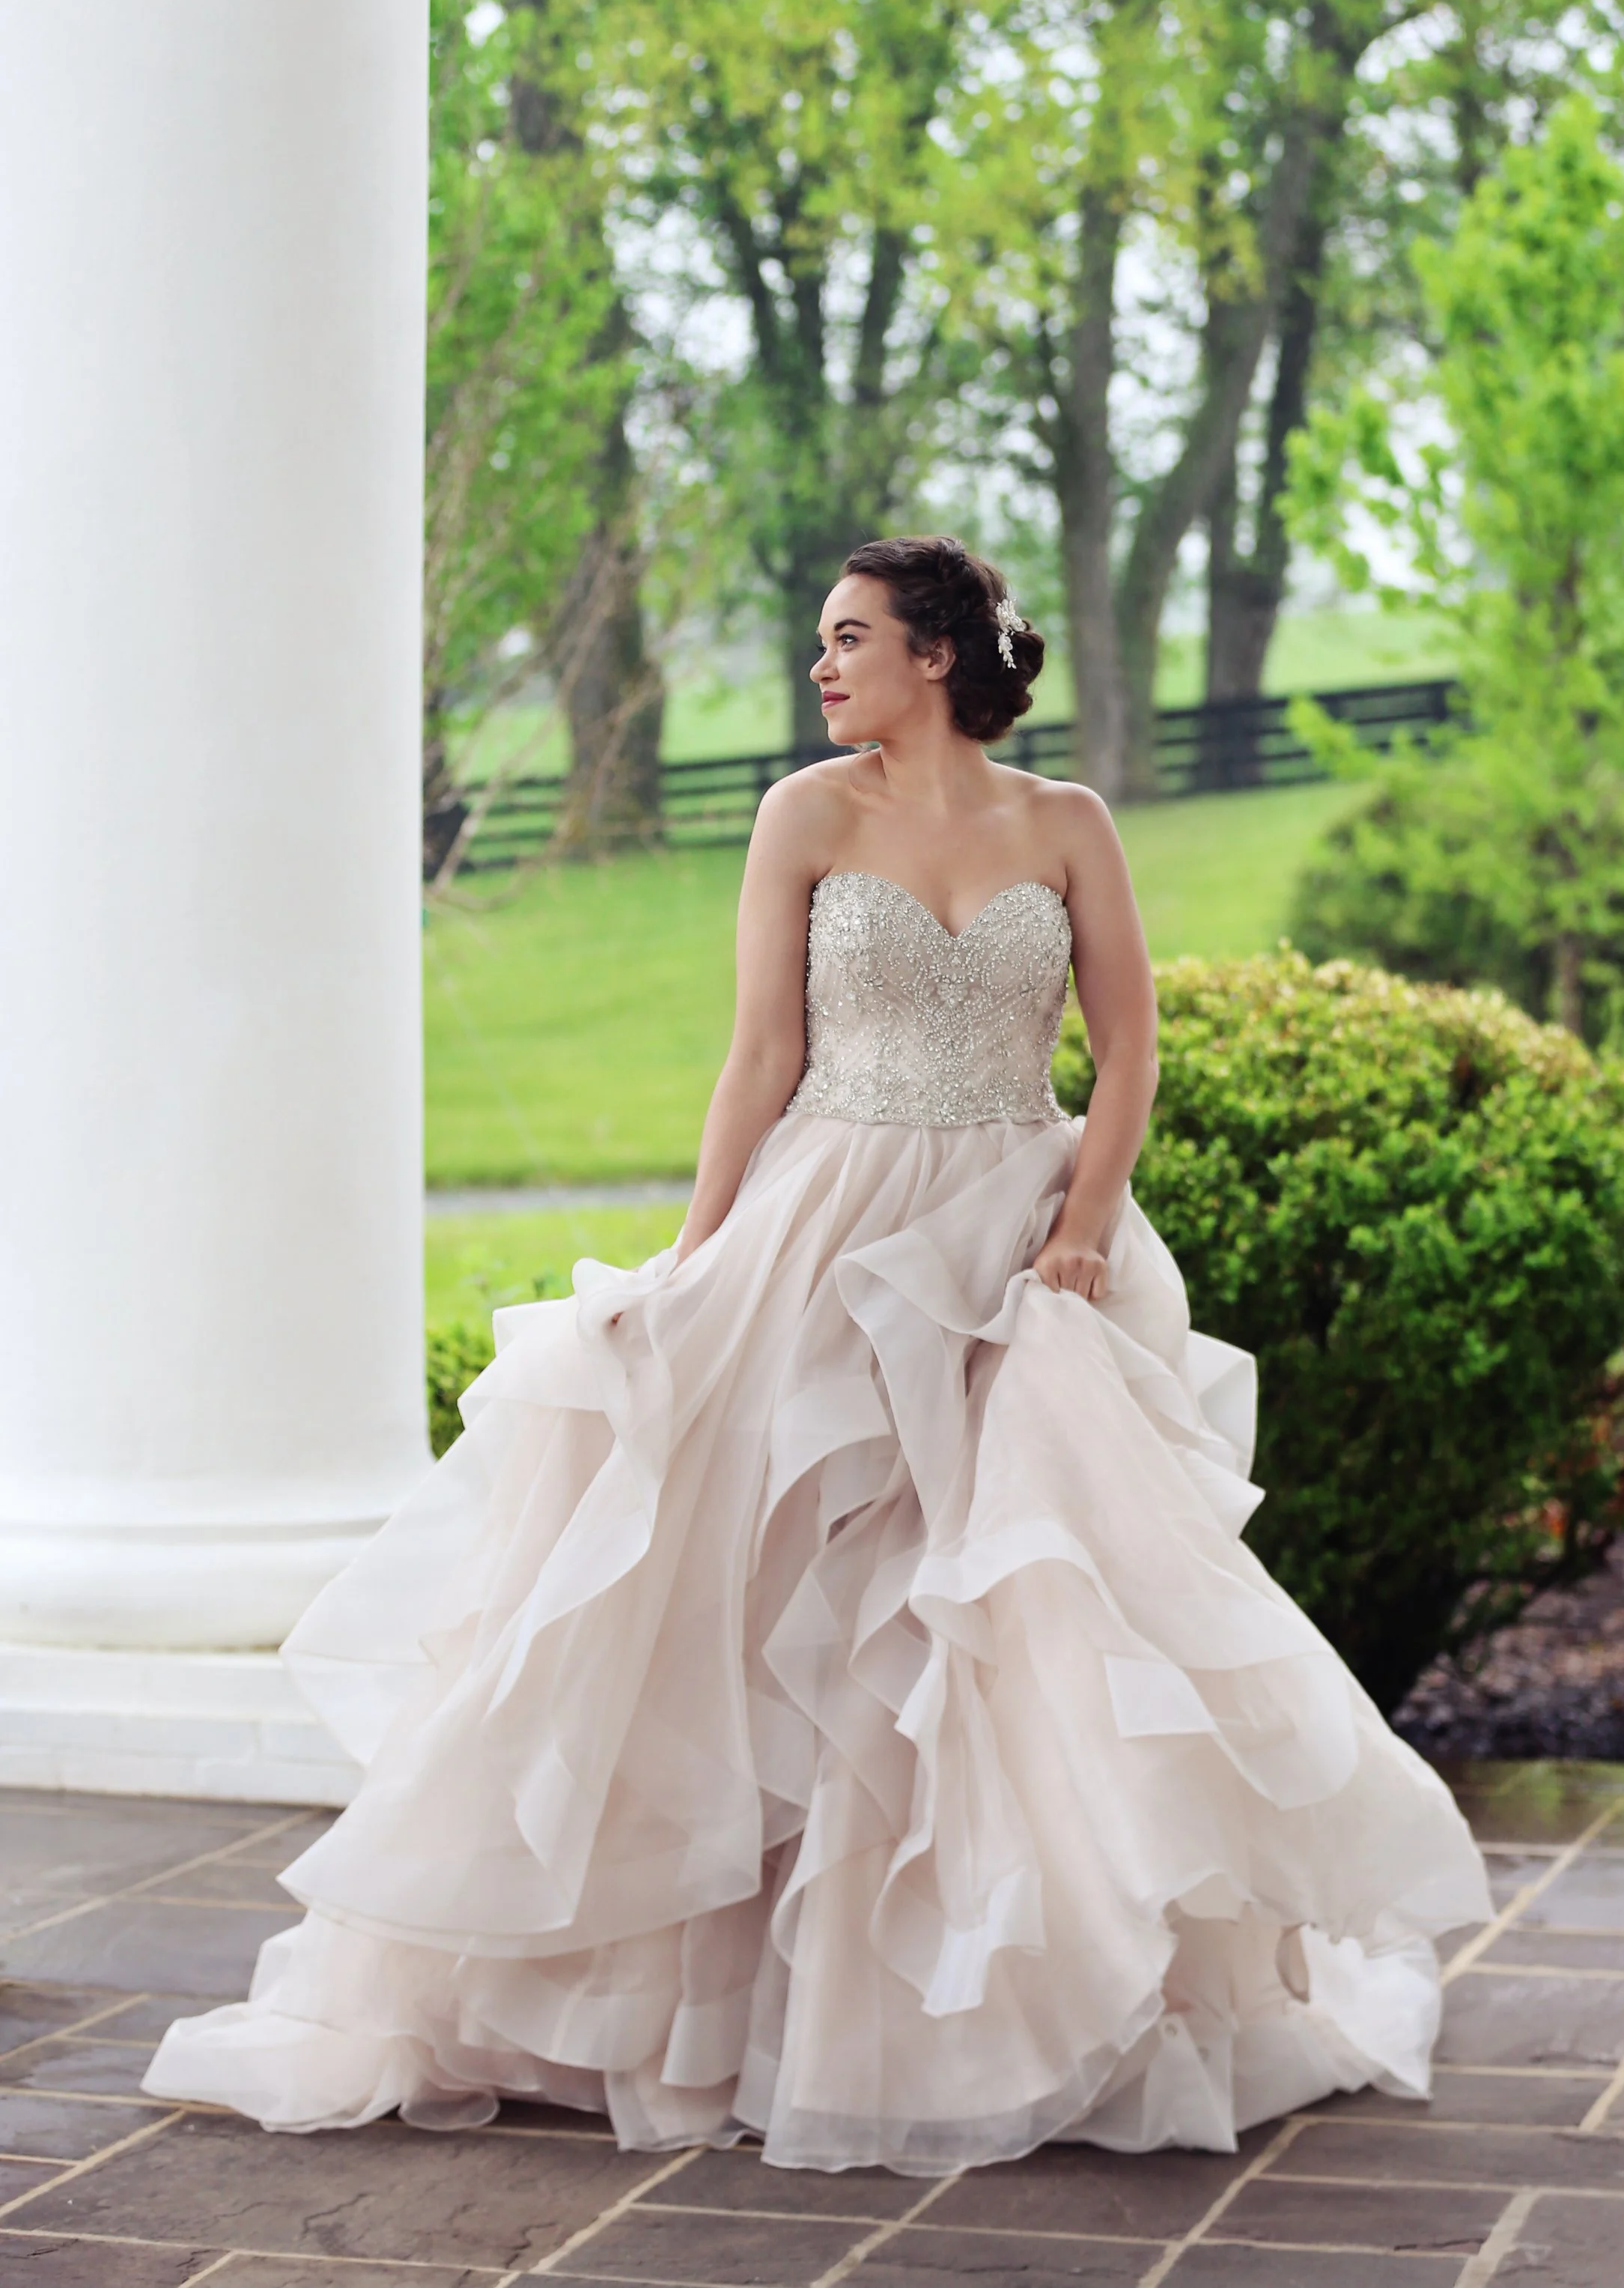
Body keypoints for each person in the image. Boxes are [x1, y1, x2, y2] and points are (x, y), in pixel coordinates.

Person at [146, 533, 1488, 2170]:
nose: (819, 665)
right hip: (826, 1218)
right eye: (817, 640)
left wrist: (1084, 1211)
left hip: (1012, 1228)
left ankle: (1010, 1997)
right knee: (760, 1596)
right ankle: (722, 2006)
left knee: (1003, 1610)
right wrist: (701, 1256)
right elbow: (759, 1056)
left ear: (939, 653)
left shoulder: (1064, 825)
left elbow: (1128, 1042)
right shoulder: (801, 814)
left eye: (849, 637)